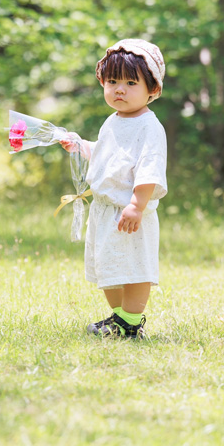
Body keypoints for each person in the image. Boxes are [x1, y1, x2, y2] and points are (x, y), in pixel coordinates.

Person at [59, 39, 168, 340]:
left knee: (133, 265)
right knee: (108, 266)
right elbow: (109, 155)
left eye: (131, 82)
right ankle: (118, 318)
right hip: (104, 211)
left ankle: (131, 321)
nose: (120, 89)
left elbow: (149, 167)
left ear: (153, 89)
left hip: (129, 211)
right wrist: (81, 146)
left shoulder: (148, 126)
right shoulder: (113, 121)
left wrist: (137, 204)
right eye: (113, 81)